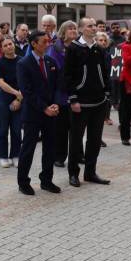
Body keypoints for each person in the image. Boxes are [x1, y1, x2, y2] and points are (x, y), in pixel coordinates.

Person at [64, 17, 111, 187]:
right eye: (90, 26)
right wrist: (73, 98)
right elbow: (67, 76)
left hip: (99, 102)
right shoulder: (73, 49)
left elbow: (105, 72)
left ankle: (90, 172)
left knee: (95, 139)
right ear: (82, 29)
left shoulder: (99, 48)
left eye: (94, 26)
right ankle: (73, 173)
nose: (93, 28)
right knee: (76, 140)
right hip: (80, 103)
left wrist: (106, 92)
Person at [15, 31, 62, 196]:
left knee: (50, 148)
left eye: (48, 41)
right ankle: (23, 182)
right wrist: (44, 108)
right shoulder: (24, 63)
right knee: (28, 148)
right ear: (34, 44)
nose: (48, 44)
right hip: (33, 113)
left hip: (51, 112)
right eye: (44, 41)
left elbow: (57, 85)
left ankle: (47, 180)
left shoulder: (50, 61)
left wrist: (55, 103)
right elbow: (27, 92)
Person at [48, 21, 77, 168]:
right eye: (70, 28)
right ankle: (59, 156)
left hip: (76, 91)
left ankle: (78, 155)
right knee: (61, 128)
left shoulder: (78, 47)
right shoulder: (55, 49)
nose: (73, 30)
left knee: (76, 127)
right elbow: (54, 69)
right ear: (63, 32)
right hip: (60, 92)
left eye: (74, 28)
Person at [0, 37, 23, 168]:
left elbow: (26, 82)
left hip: (20, 100)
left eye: (10, 44)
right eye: (5, 45)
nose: (9, 47)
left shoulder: (22, 61)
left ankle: (16, 155)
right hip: (3, 100)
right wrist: (16, 93)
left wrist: (18, 99)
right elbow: (0, 82)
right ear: (2, 49)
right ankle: (3, 156)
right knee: (3, 130)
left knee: (17, 130)